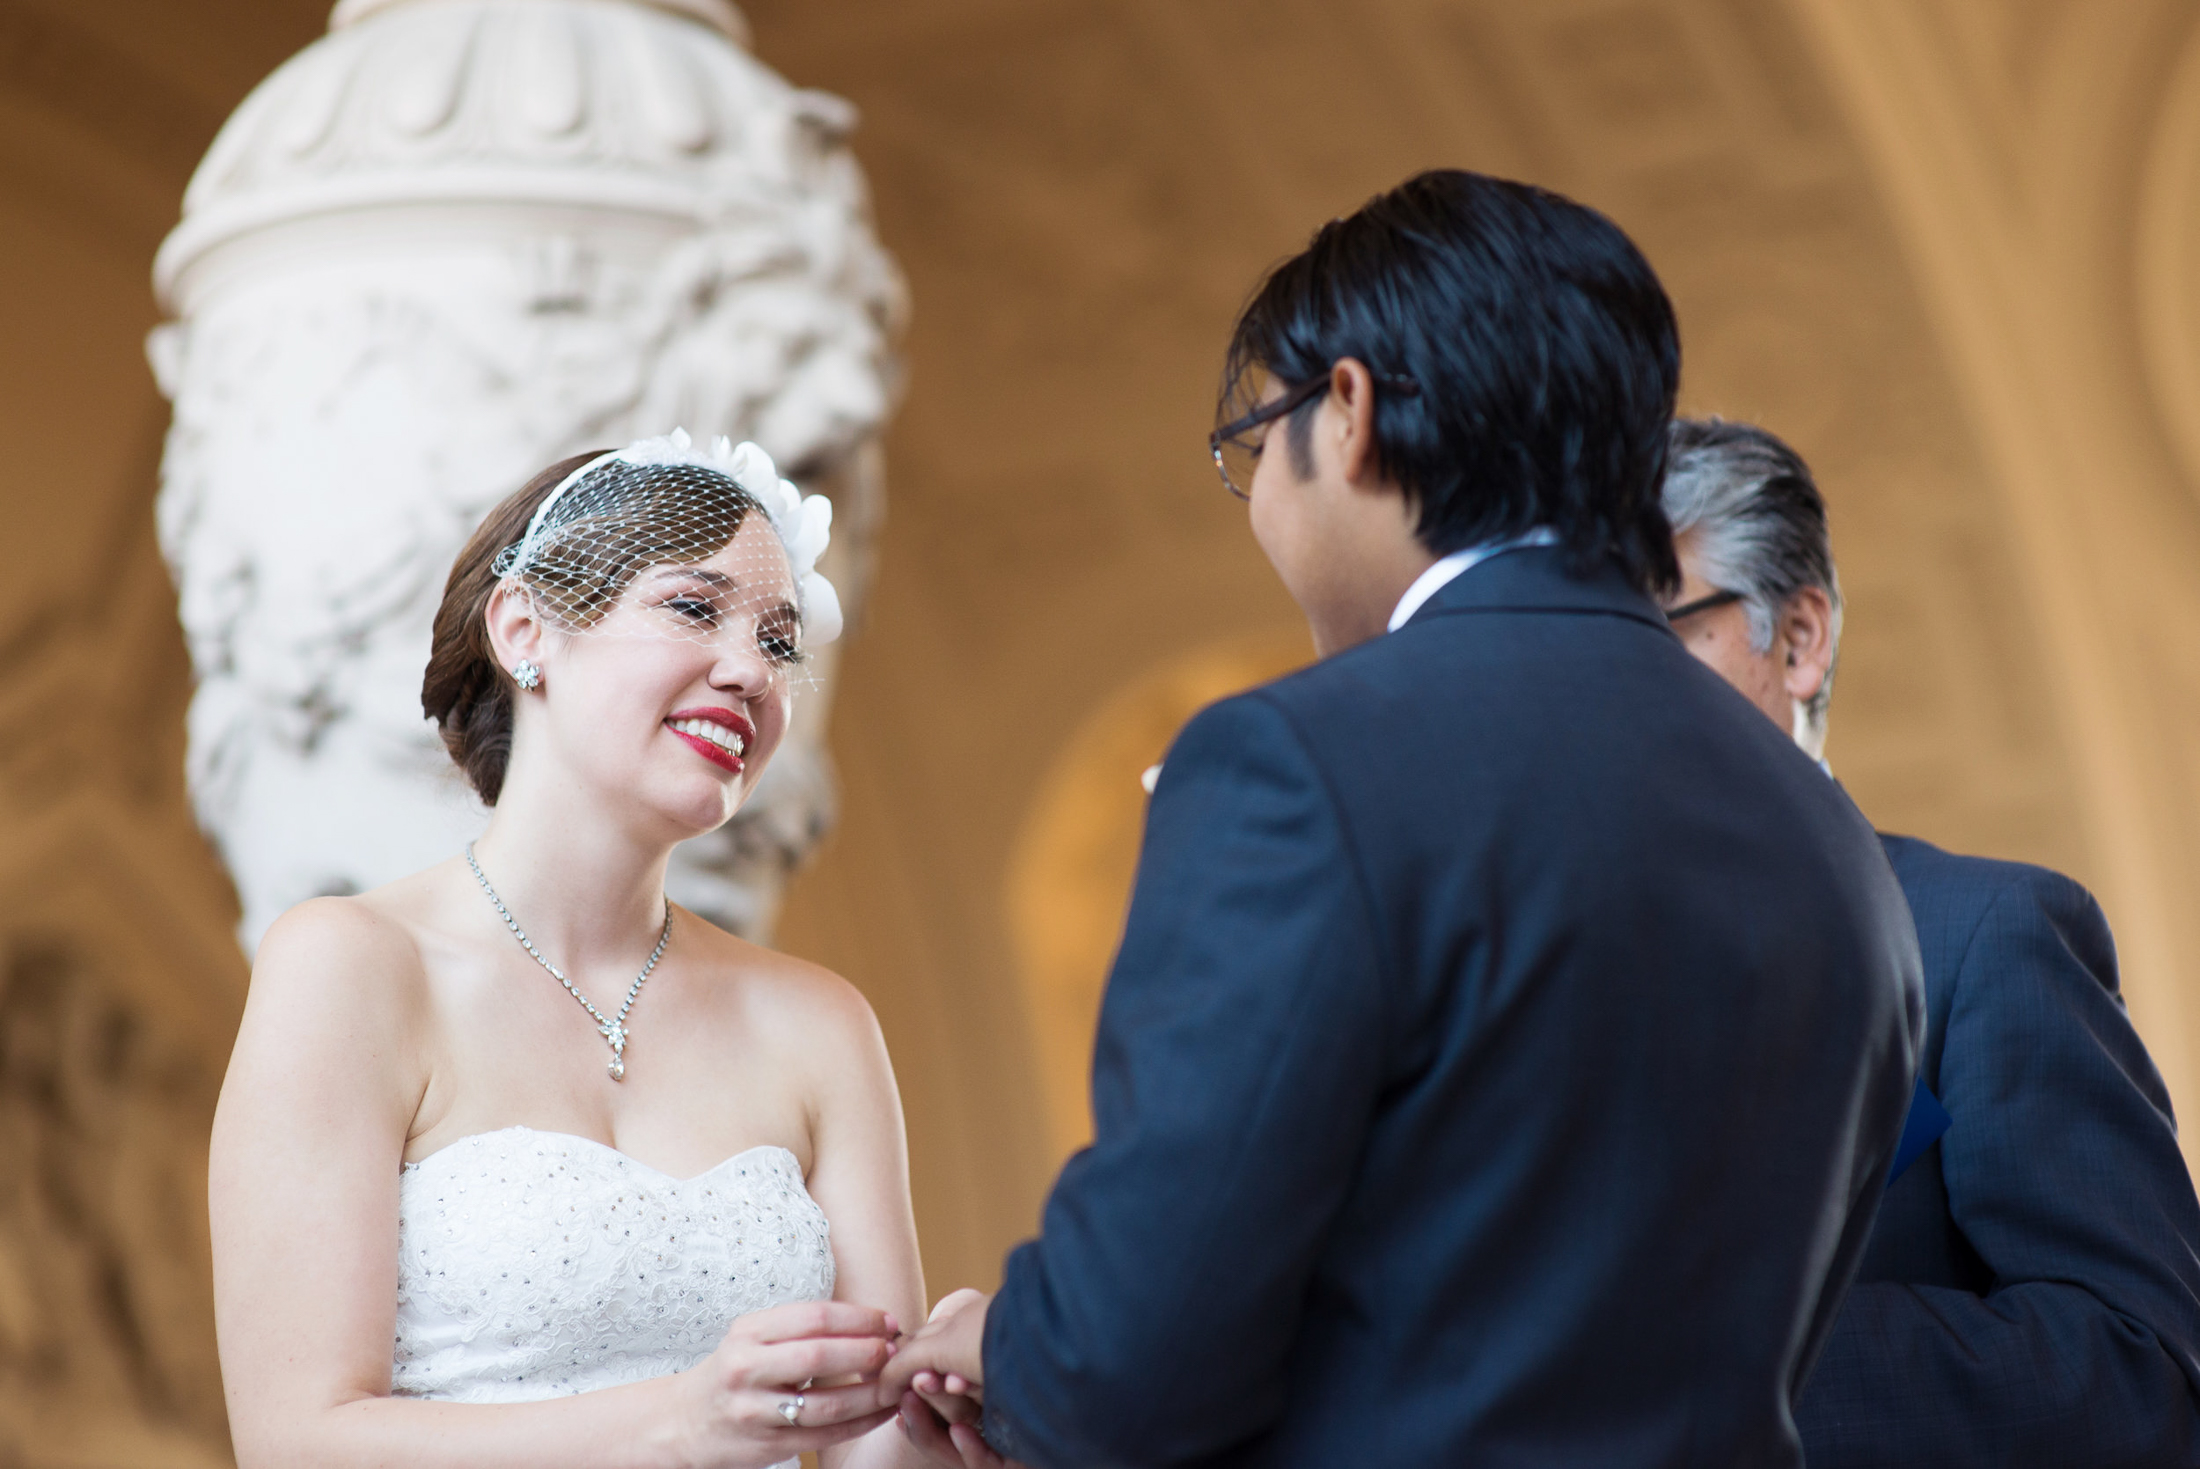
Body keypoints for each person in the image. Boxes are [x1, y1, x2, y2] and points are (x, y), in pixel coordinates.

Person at [884, 170, 1925, 1469]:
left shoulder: (1297, 761)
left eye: (1256, 447)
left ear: (1351, 410)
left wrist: (1022, 1343)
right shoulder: (1832, 840)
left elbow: (1128, 1364)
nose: (1260, 495)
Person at [209, 432, 940, 1469]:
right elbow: (295, 1439)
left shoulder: (821, 1022)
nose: (749, 671)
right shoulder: (350, 965)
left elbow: (871, 1443)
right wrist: (681, 1423)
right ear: (523, 629)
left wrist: (952, 1406)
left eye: (779, 641)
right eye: (694, 607)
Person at [1659, 415, 2200, 1468]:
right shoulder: (1544, 978)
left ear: (1800, 637)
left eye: (1652, 630)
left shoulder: (1983, 935)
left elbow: (2141, 1373)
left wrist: (1705, 1377)